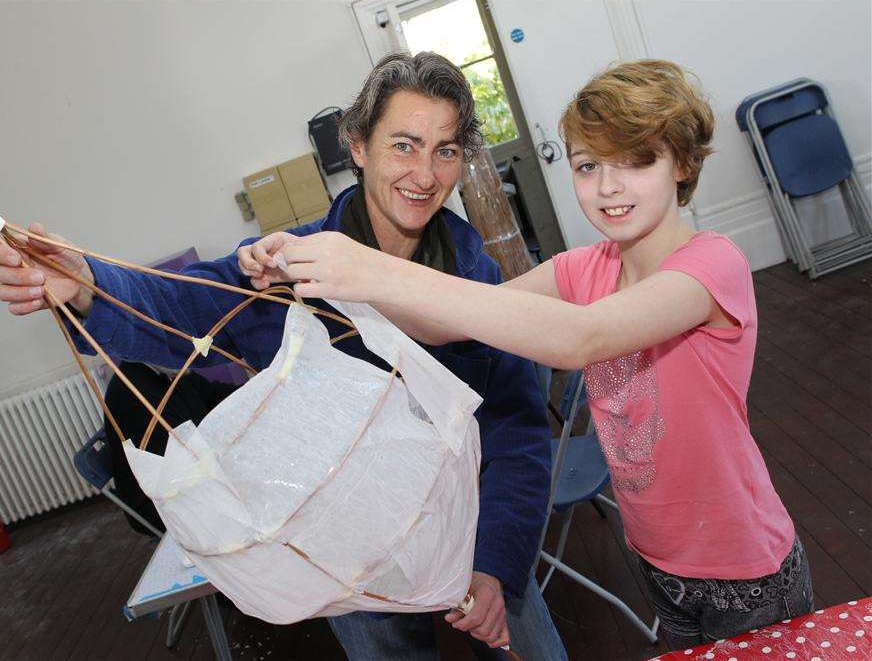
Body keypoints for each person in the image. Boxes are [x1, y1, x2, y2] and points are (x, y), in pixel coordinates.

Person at [0, 51, 566, 659]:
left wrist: (496, 568)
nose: (424, 174)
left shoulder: (478, 282)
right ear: (358, 146)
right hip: (347, 549)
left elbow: (518, 431)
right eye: (403, 145)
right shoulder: (286, 268)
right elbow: (178, 308)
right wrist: (86, 287)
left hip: (473, 527)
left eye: (445, 150)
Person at [244, 59, 814, 648]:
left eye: (635, 161)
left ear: (684, 164)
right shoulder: (583, 267)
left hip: (745, 569)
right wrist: (309, 271)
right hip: (660, 557)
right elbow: (450, 326)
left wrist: (374, 270)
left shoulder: (711, 265)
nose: (609, 187)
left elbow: (581, 337)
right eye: (588, 166)